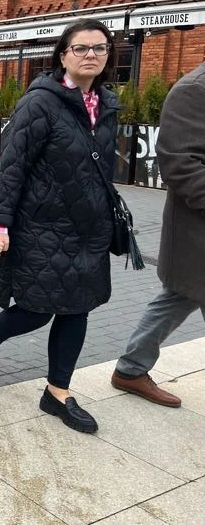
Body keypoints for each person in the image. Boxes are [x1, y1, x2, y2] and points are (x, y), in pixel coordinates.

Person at [0, 18, 121, 434]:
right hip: (42, 226)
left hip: (90, 229)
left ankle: (57, 393)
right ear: (63, 55)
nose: (91, 55)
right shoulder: (40, 103)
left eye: (99, 48)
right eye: (81, 48)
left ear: (109, 55)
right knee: (35, 309)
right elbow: (12, 167)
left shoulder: (107, 104)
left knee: (78, 309)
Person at [110, 61, 205, 407]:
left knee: (180, 297)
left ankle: (131, 368)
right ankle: (131, 369)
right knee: (182, 294)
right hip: (196, 231)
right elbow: (180, 164)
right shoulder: (194, 90)